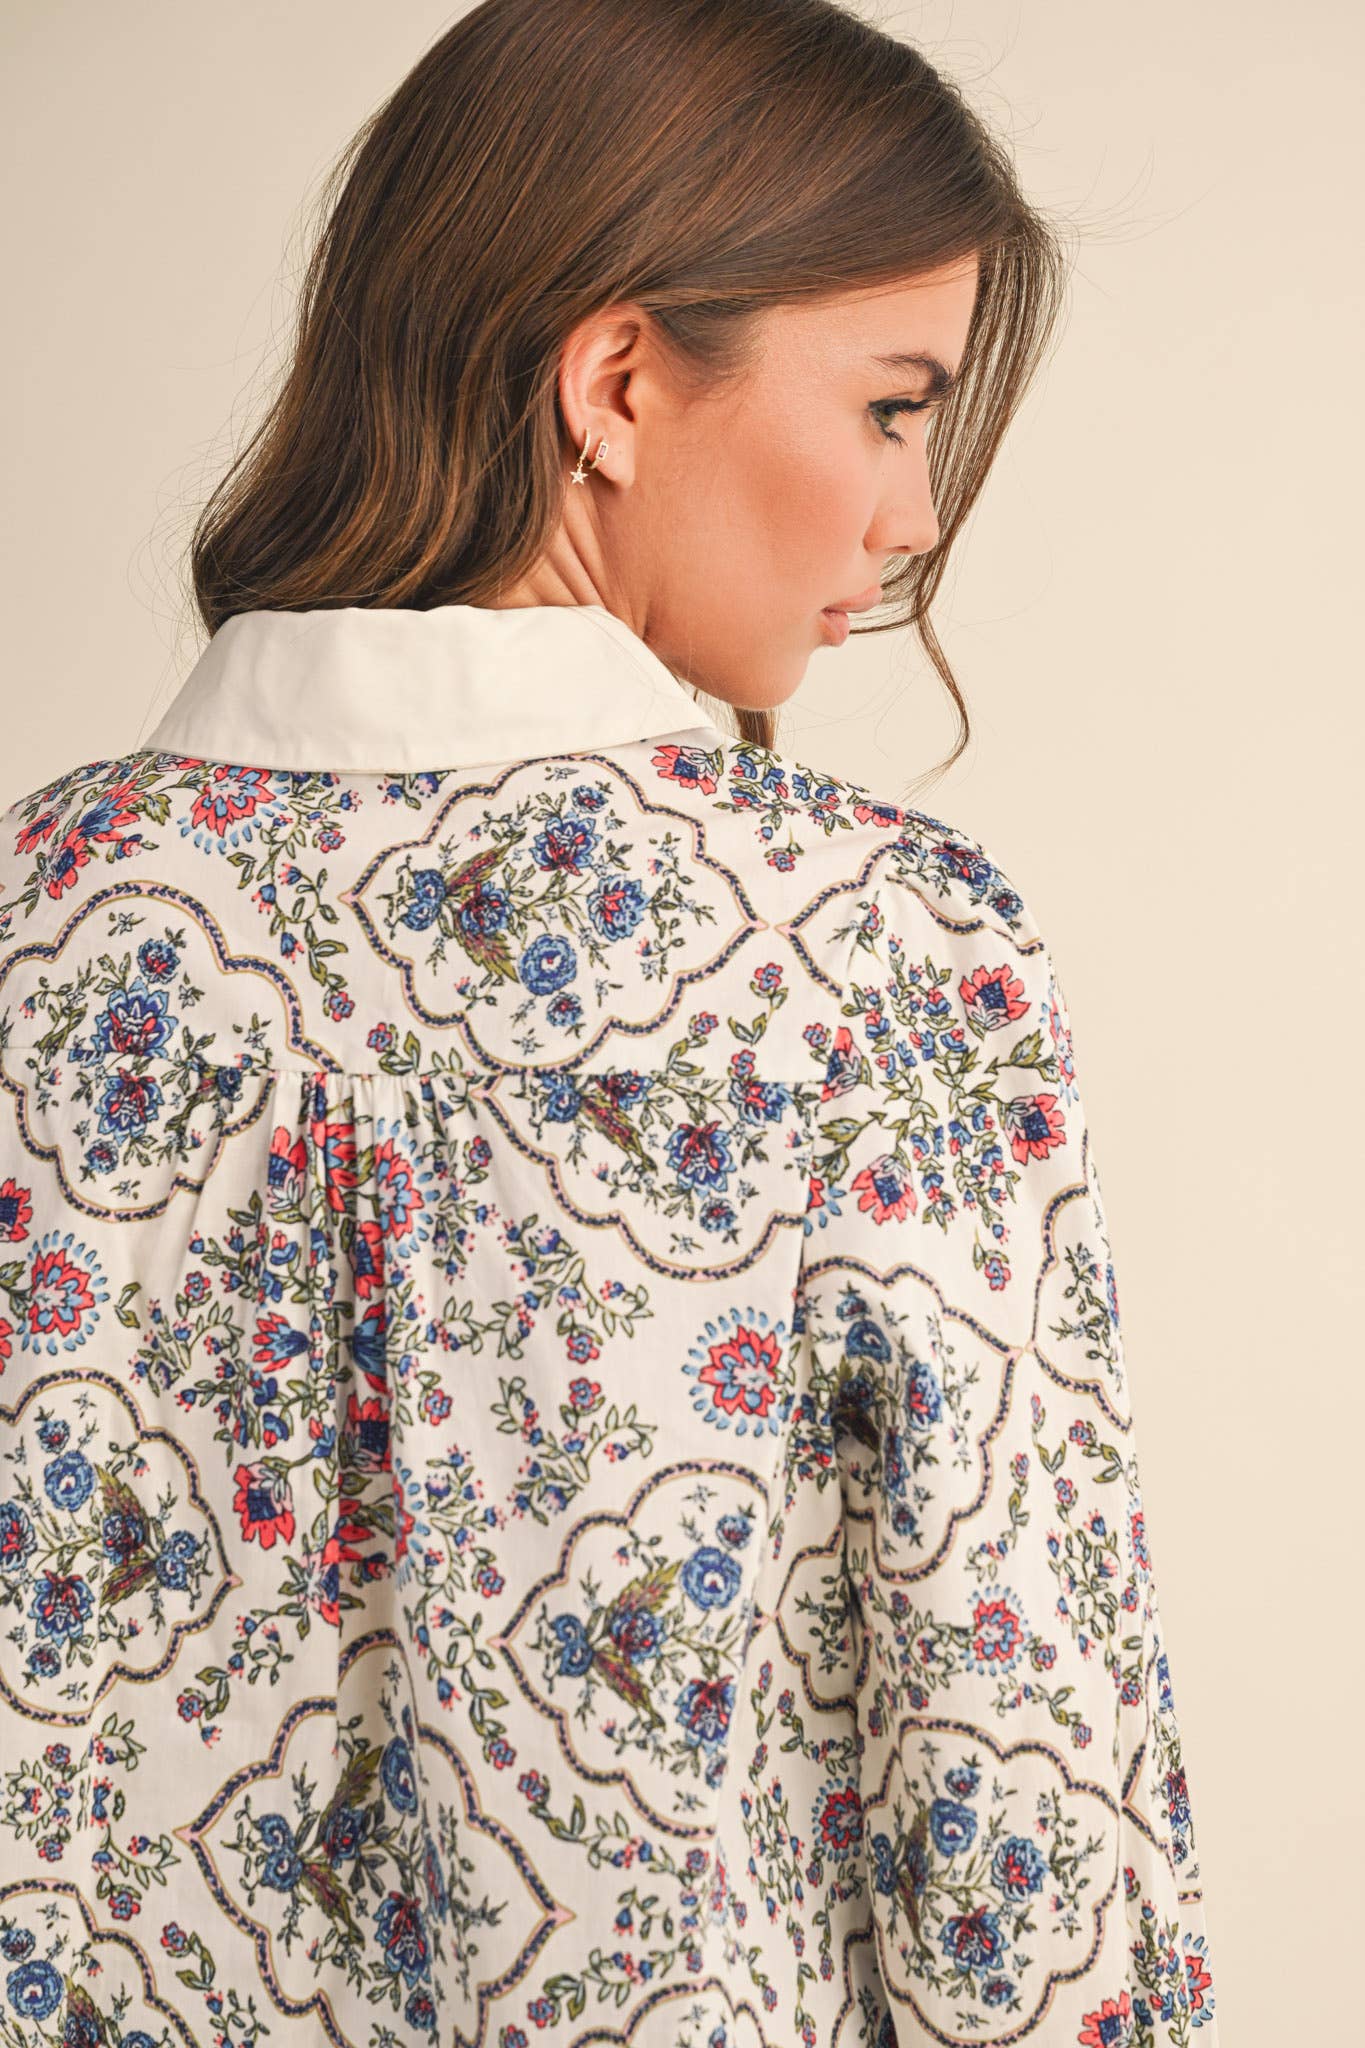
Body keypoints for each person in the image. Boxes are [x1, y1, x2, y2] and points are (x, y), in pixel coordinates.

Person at [0, 3, 1218, 2043]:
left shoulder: (42, 923)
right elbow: (1016, 1774)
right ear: (621, 382)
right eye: (893, 403)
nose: (908, 513)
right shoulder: (870, 957)